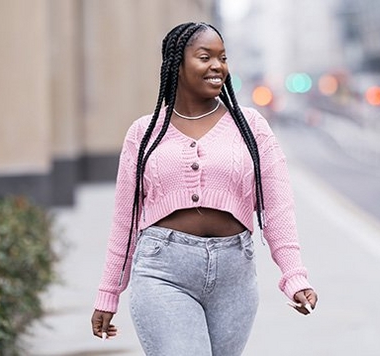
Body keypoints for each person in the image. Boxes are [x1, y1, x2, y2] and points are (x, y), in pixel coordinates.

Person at [90, 22, 318, 355]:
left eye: (222, 57)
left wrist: (294, 276)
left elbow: (277, 206)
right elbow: (125, 220)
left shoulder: (251, 127)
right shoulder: (144, 133)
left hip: (234, 277)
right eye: (204, 57)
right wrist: (109, 292)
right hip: (162, 271)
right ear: (176, 65)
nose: (218, 66)